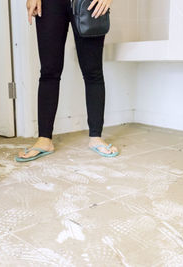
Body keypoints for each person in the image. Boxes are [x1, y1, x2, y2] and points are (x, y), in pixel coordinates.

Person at [17, 0, 119, 162]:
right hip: (50, 3)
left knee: (93, 72)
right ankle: (44, 139)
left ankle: (96, 137)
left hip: (88, 2)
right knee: (49, 71)